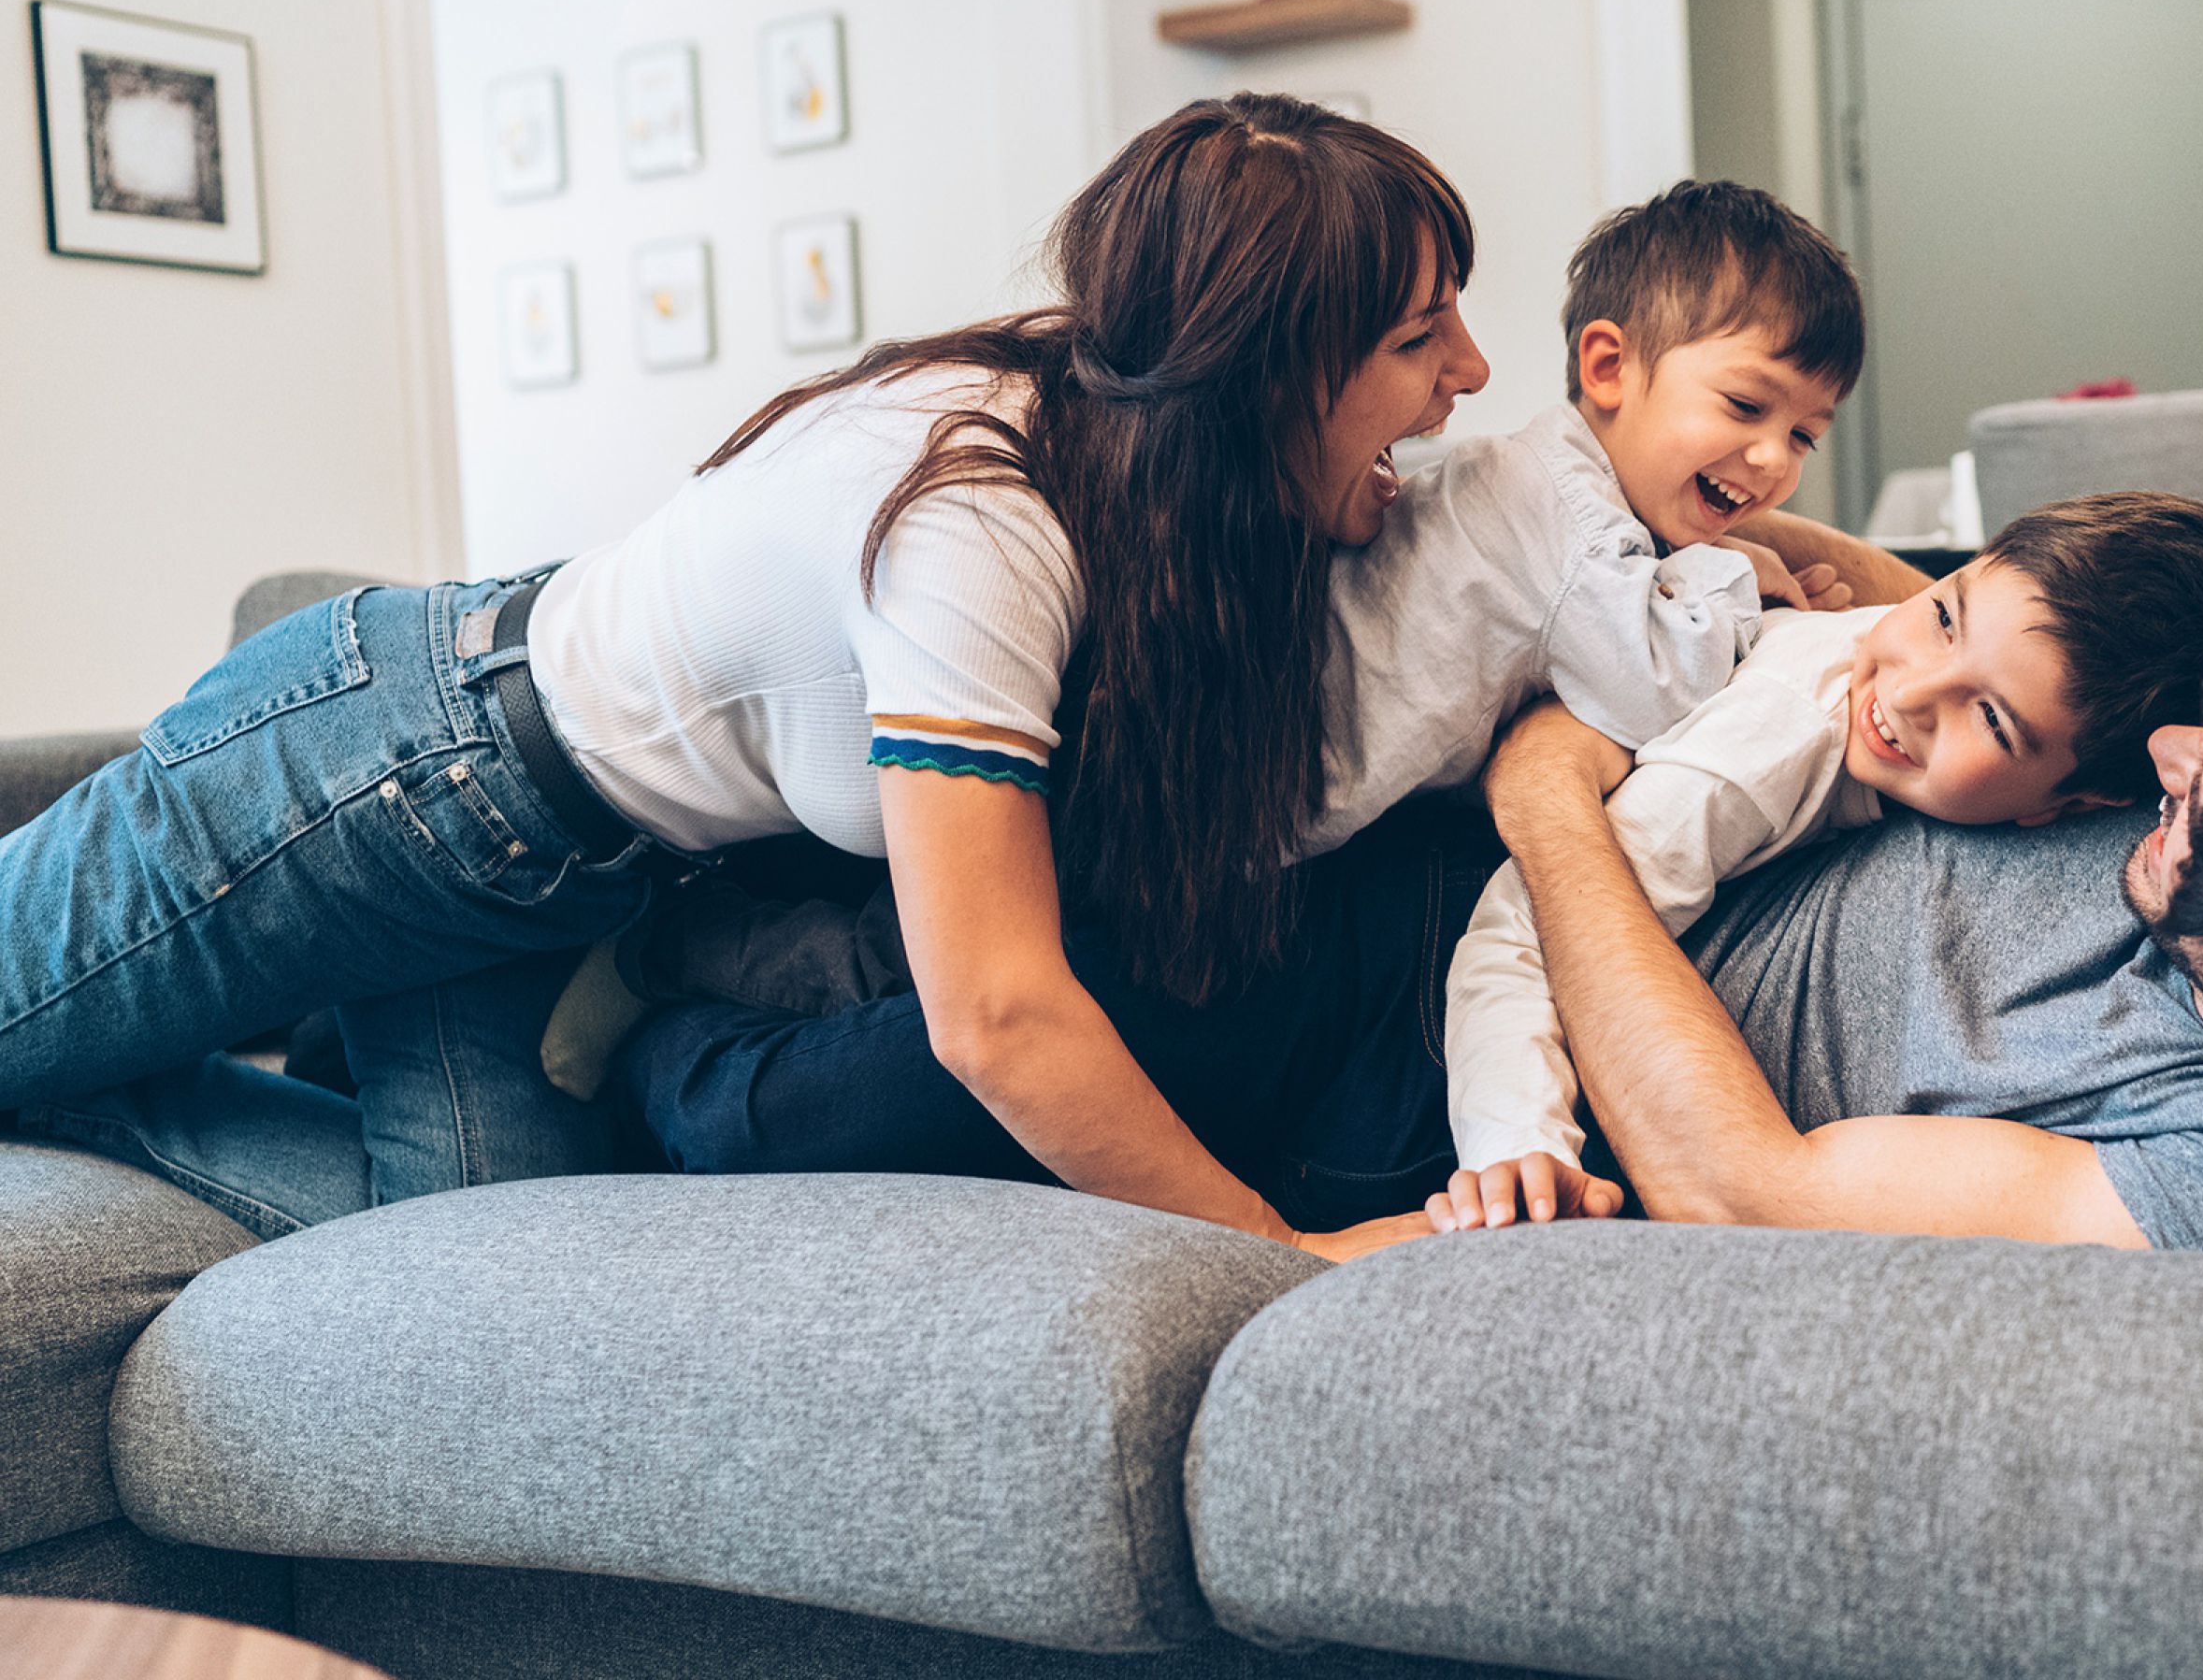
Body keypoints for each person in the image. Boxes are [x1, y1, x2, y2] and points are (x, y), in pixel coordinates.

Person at [0, 93, 1498, 1255]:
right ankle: (71, 1068)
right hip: (378, 775)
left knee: (473, 1266)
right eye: (1422, 333)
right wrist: (1278, 1246)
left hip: (545, 880)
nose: (1473, 370)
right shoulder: (978, 522)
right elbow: (996, 1013)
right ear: (1256, 370)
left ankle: (75, 1087)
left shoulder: (1128, 446)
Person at [589, 181, 1926, 1157]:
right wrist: (1740, 580)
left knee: (915, 939)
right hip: (1216, 800)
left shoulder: (1526, 477)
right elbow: (1656, 689)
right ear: (1609, 367)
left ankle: (686, 952)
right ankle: (679, 964)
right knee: (916, 957)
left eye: (1805, 434)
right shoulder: (1574, 534)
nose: (1770, 463)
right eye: (1746, 410)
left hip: (1227, 788)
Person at [1432, 584, 2203, 1249]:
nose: (2167, 748)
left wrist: (1549, 810)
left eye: (2202, 801)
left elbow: (1745, 1192)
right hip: (1631, 801)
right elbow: (2000, 617)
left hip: (1492, 1075)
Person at [1445, 492, 2203, 1213]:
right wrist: (1516, 1137)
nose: (1908, 692)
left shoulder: (2116, 742)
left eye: (1989, 718)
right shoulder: (1770, 746)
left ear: (2077, 805)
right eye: (1942, 613)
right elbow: (1520, 918)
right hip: (1464, 1001)